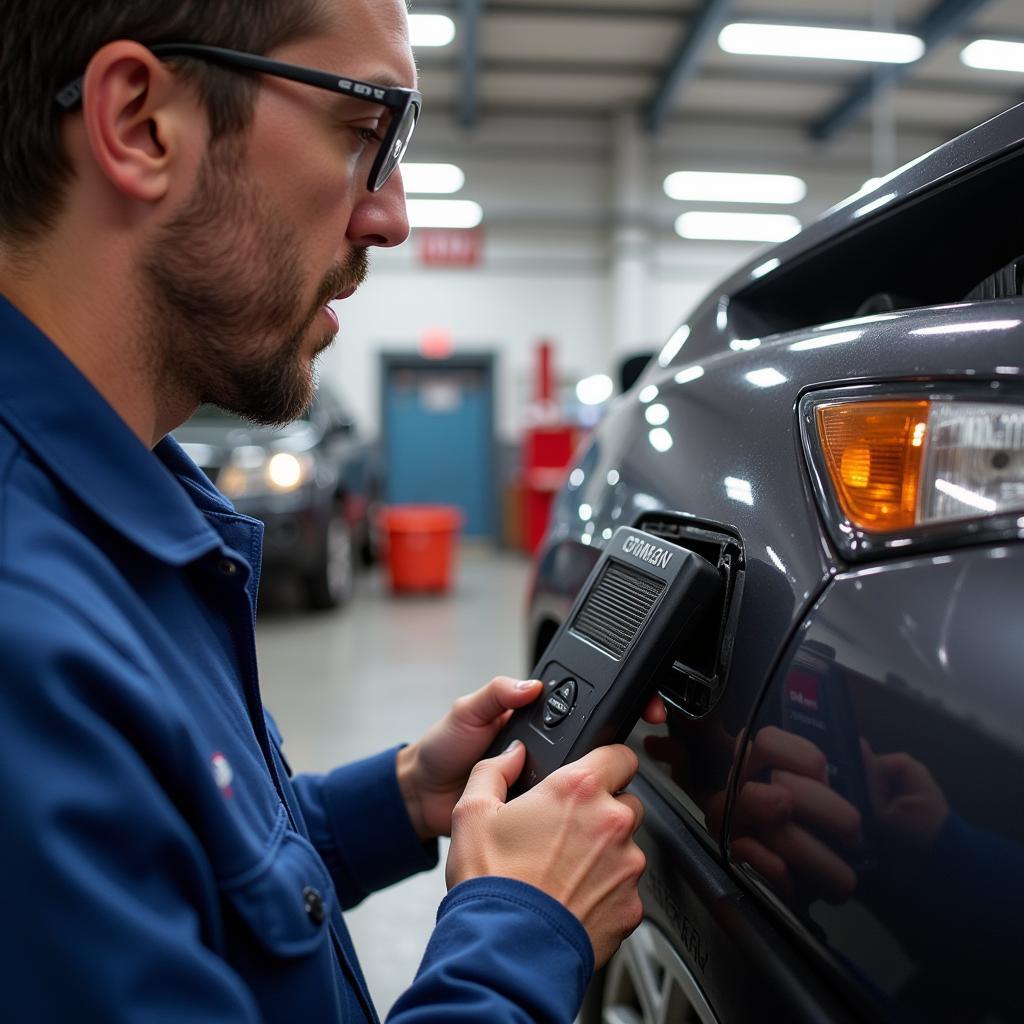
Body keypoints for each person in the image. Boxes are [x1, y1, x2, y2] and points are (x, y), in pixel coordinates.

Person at [0, 2, 662, 1021]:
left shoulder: (122, 517)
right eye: (363, 132)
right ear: (140, 123)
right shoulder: (27, 646)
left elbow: (187, 868)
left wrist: (401, 799)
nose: (390, 214)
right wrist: (524, 925)